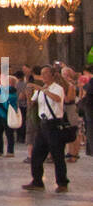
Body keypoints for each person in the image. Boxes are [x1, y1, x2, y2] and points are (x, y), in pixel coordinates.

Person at [24, 65, 70, 193]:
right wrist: (28, 96)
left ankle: (62, 183)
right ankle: (37, 181)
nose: (43, 76)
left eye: (45, 73)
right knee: (36, 154)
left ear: (52, 75)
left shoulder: (58, 88)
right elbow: (31, 104)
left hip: (54, 124)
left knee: (57, 155)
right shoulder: (40, 90)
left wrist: (42, 89)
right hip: (43, 124)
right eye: (42, 74)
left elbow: (57, 99)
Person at [0, 74, 18, 158]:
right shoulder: (2, 89)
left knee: (9, 133)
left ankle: (10, 151)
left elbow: (2, 99)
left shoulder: (11, 90)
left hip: (6, 114)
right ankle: (0, 150)